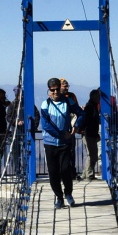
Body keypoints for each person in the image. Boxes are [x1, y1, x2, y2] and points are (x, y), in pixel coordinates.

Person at [40, 76, 81, 207]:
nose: (56, 92)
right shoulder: (45, 104)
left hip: (64, 144)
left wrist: (76, 127)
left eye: (57, 89)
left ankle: (68, 193)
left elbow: (81, 114)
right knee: (53, 172)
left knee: (65, 170)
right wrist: (63, 134)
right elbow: (45, 125)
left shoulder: (68, 102)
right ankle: (59, 197)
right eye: (53, 90)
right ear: (49, 90)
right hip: (50, 143)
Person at [82, 89, 102, 179]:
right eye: (98, 97)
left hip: (90, 134)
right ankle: (89, 174)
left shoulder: (91, 106)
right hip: (89, 134)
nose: (99, 99)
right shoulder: (90, 108)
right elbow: (89, 123)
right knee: (92, 154)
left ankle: (86, 174)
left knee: (92, 154)